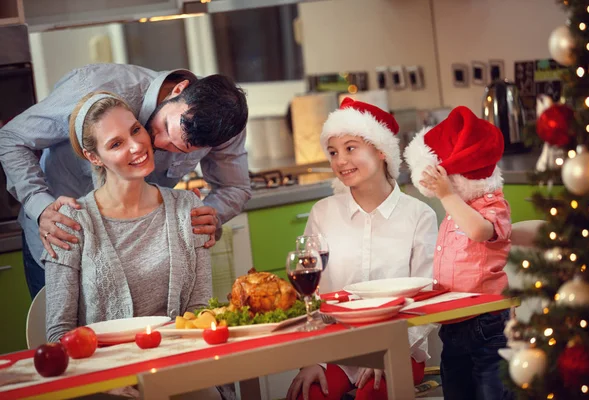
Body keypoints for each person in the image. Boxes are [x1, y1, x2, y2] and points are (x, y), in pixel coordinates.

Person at [0, 64, 251, 299]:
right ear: (179, 89)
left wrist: (211, 216)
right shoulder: (95, 87)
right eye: (164, 127)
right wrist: (40, 205)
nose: (159, 145)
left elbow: (234, 187)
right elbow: (11, 139)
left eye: (180, 148)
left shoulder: (225, 125)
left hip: (142, 258)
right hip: (62, 244)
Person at [43, 92, 230, 400]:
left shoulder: (187, 209)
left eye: (135, 130)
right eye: (116, 144)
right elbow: (59, 334)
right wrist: (115, 384)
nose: (136, 146)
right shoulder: (70, 223)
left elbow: (199, 312)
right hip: (103, 383)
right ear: (94, 157)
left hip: (178, 372)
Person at [287, 98, 438, 400]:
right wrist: (312, 359)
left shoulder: (419, 216)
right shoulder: (322, 213)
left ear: (381, 151)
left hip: (400, 348)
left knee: (372, 395)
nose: (340, 160)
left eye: (350, 148)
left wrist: (393, 351)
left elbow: (428, 299)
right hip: (336, 350)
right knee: (309, 395)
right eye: (333, 152)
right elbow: (308, 297)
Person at [404, 106, 513, 400]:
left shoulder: (493, 204)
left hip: (487, 322)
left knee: (493, 392)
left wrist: (447, 195)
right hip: (453, 322)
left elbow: (479, 231)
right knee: (456, 390)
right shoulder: (458, 210)